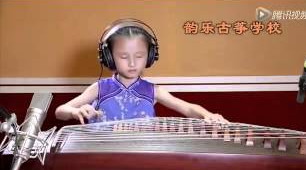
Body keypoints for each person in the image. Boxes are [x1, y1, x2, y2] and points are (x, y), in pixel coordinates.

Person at [55, 18, 229, 125]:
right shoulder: (100, 88)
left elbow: (188, 108)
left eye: (139, 56)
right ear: (109, 57)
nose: (132, 63)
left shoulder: (152, 90)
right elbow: (60, 111)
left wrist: (208, 114)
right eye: (123, 56)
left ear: (150, 56)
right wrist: (74, 112)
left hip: (140, 154)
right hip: (102, 155)